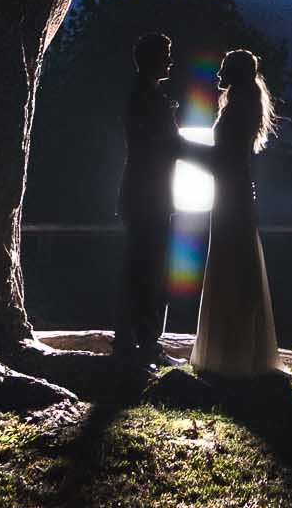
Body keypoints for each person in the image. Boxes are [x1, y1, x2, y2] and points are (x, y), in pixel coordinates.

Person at [191, 47, 283, 378]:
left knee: (232, 265)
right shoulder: (241, 107)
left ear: (236, 74)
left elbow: (222, 158)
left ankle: (231, 351)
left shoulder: (236, 111)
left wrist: (178, 147)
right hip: (233, 192)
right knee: (236, 265)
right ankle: (239, 349)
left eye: (224, 67)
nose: (218, 73)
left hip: (231, 194)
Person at [112, 31, 180, 372]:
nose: (171, 59)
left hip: (147, 194)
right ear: (152, 58)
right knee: (146, 270)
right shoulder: (144, 98)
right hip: (147, 195)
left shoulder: (147, 95)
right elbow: (165, 144)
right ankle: (139, 343)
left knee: (146, 269)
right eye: (166, 53)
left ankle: (138, 341)